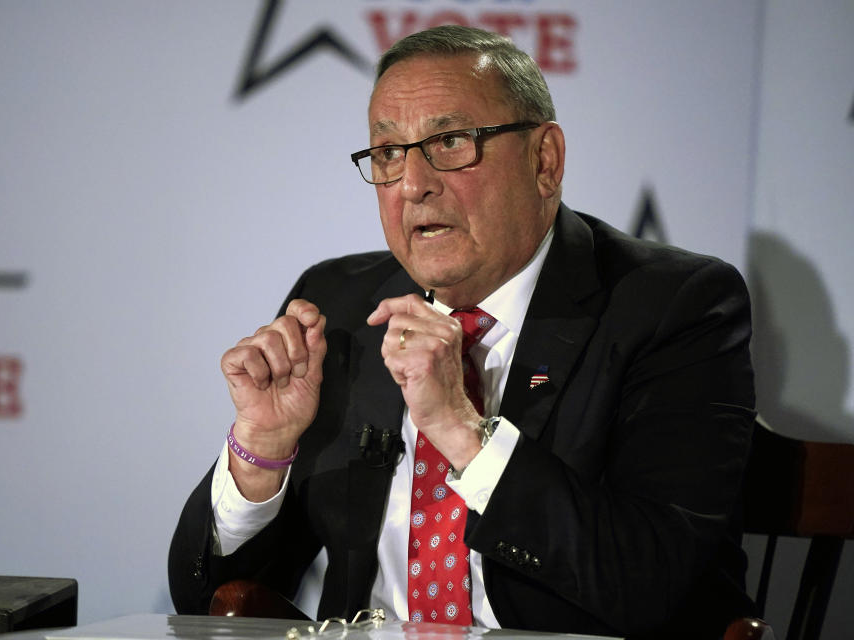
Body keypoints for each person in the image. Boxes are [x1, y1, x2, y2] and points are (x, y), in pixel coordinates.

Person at [169, 25, 756, 639]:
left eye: (450, 141)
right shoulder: (339, 308)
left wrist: (462, 431)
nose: (414, 184)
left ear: (544, 161)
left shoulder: (673, 307)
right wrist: (261, 453)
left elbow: (659, 586)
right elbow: (205, 599)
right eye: (389, 153)